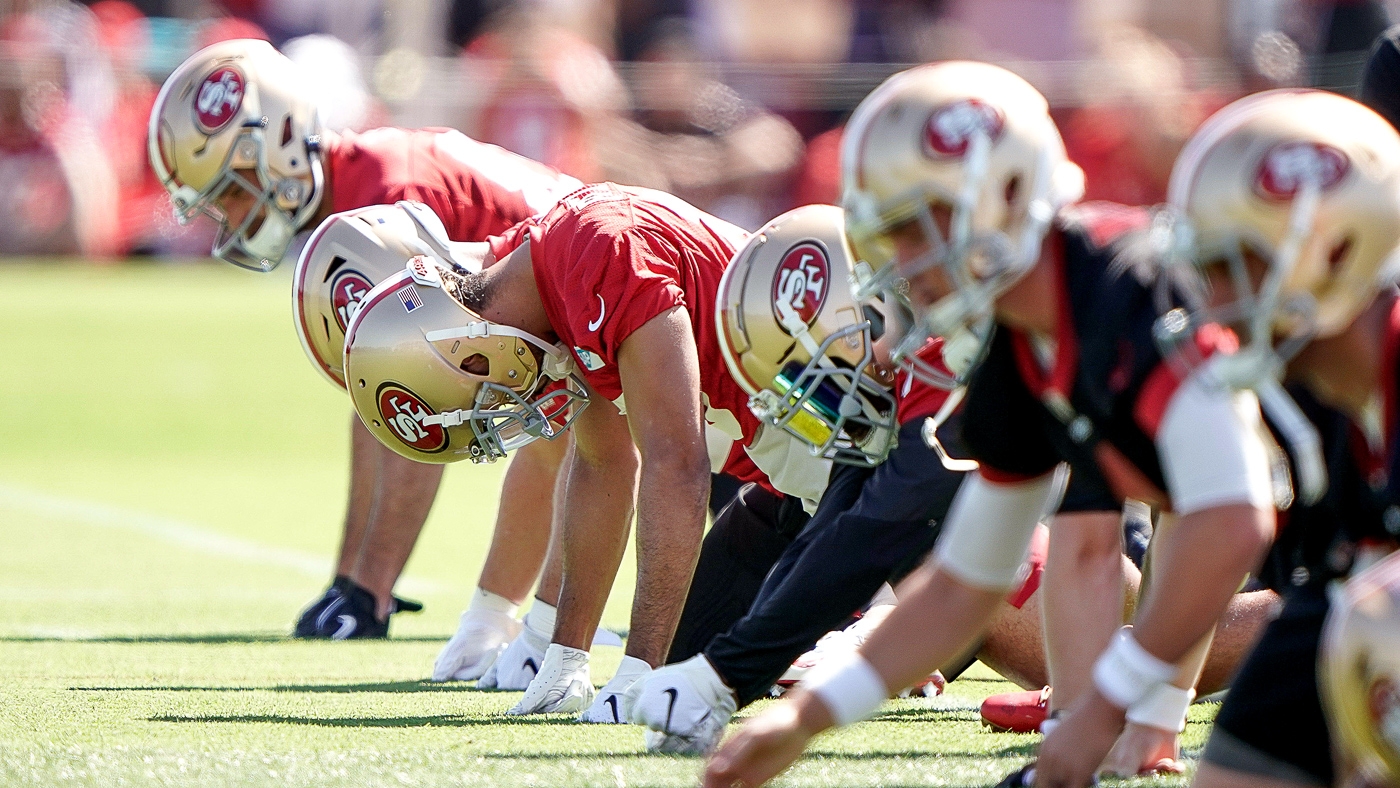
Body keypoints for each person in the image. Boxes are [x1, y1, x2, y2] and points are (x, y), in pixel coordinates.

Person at [702, 66, 1391, 788]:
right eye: (887, 233)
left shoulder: (1127, 301)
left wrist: (1114, 704)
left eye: (912, 226)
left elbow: (1225, 521)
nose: (899, 262)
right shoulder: (1026, 346)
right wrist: (806, 718)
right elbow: (968, 580)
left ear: (1001, 195)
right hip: (1337, 574)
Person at [338, 186, 831, 723]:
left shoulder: (603, 253)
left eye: (481, 397)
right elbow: (602, 464)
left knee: (727, 659)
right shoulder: (545, 275)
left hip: (855, 461)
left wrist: (638, 667)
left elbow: (677, 466)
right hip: (783, 489)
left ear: (470, 354)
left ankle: (872, 623)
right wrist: (564, 653)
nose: (501, 407)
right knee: (695, 655)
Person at [147, 39, 582, 645]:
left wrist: (366, 595)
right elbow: (377, 402)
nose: (230, 216)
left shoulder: (385, 194)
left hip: (607, 307)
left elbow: (422, 400)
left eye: (232, 191)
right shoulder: (358, 187)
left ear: (276, 148)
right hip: (573, 313)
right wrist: (345, 581)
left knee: (713, 482)